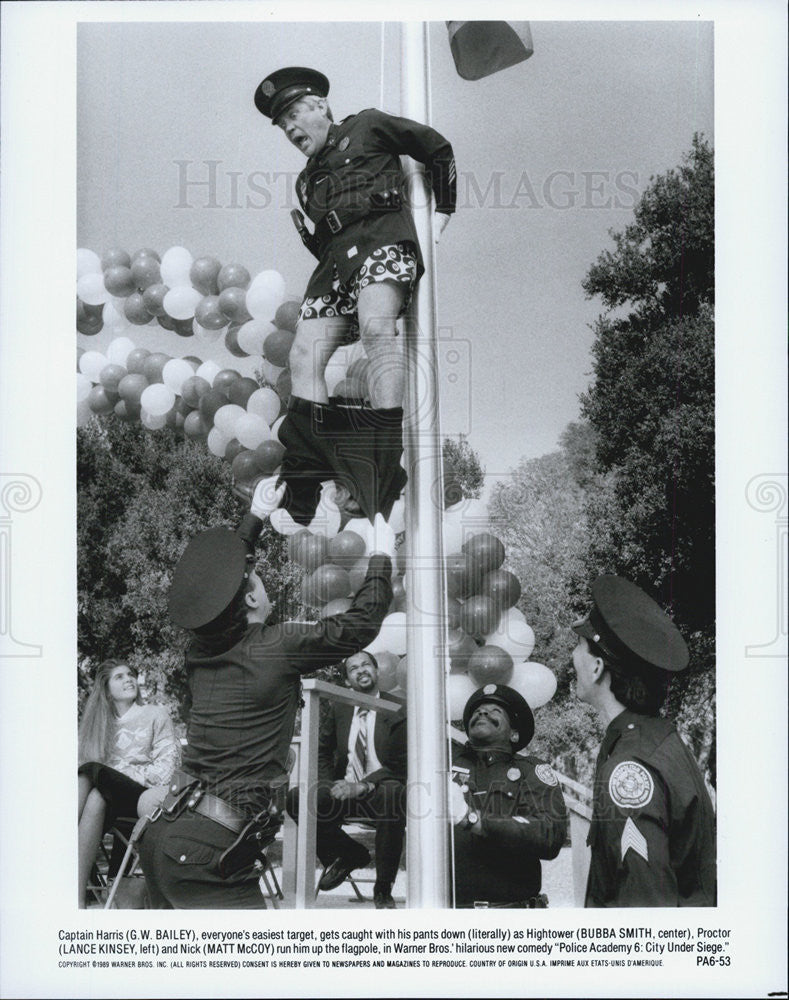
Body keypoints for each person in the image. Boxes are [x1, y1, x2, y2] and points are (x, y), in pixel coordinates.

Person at [137, 481, 396, 908]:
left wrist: (255, 518)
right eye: (254, 575)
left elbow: (217, 595)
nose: (255, 575)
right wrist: (382, 558)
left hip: (166, 833)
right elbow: (361, 624)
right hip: (205, 850)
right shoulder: (277, 645)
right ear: (254, 595)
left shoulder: (200, 654)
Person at [254, 66, 457, 524]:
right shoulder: (305, 183)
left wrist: (443, 210)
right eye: (281, 123)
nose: (288, 128)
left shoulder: (367, 125)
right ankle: (308, 475)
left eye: (292, 114)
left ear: (320, 105)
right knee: (303, 355)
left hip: (381, 239)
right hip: (334, 267)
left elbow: (436, 147)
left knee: (376, 327)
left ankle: (380, 461)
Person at [570, 574, 717, 907]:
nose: (571, 657)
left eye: (577, 646)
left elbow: (645, 911)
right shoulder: (660, 739)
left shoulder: (629, 766)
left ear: (596, 668)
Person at [287, 650, 407, 908]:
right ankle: (348, 853)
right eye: (353, 668)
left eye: (366, 665)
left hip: (380, 790)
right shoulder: (339, 706)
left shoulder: (398, 708)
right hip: (344, 789)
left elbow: (402, 762)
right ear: (348, 680)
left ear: (377, 671)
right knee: (298, 798)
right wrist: (328, 784)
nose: (361, 670)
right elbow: (322, 748)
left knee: (393, 792)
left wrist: (364, 785)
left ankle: (383, 887)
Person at [449, 684, 568, 908]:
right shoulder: (443, 764)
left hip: (511, 914)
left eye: (496, 711)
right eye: (477, 711)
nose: (483, 712)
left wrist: (473, 820)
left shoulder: (531, 771)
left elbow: (550, 835)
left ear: (514, 733)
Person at [77, 658, 180, 908]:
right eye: (119, 677)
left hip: (146, 797)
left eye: (130, 674)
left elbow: (166, 770)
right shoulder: (99, 725)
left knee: (91, 770)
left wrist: (120, 773)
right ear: (106, 690)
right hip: (110, 800)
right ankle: (76, 897)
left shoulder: (156, 714)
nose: (129, 679)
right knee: (96, 797)